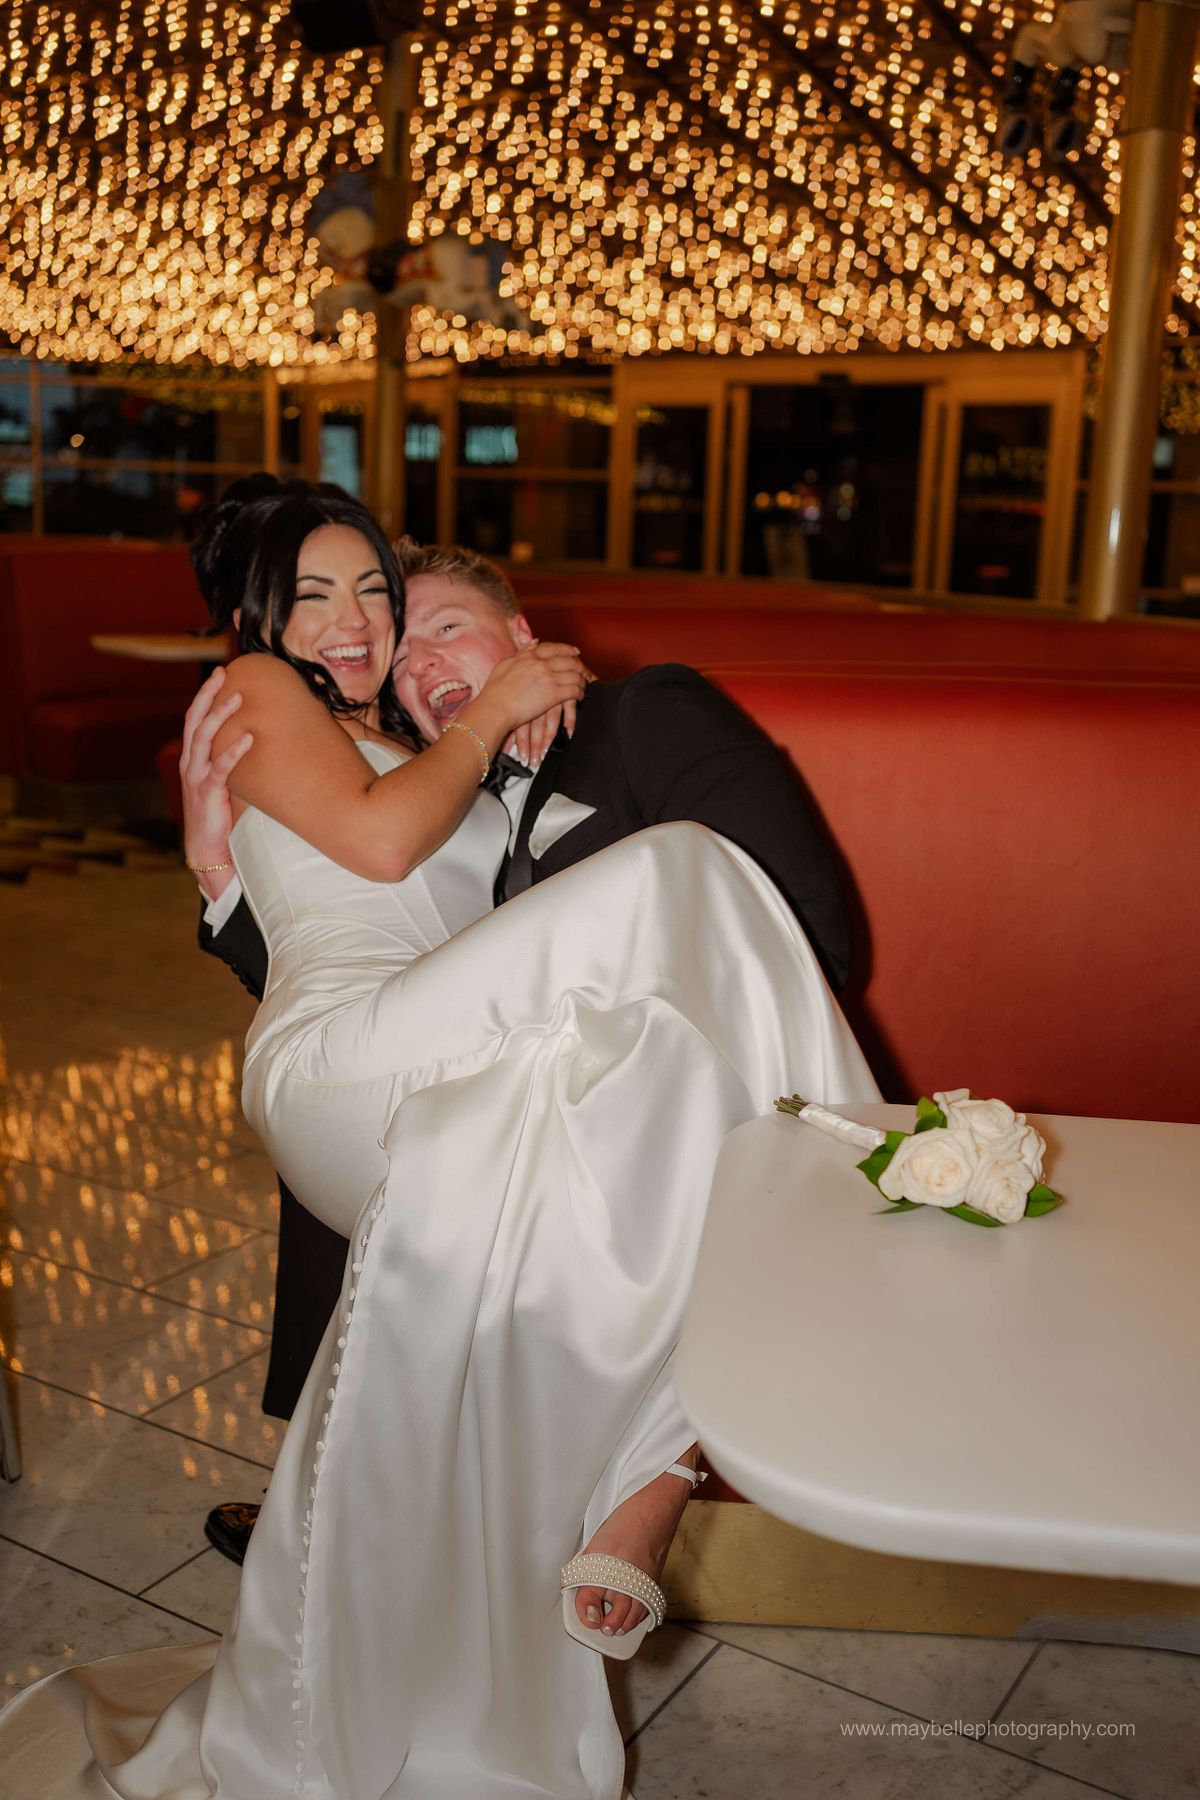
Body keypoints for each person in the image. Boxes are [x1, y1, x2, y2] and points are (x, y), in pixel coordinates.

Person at [0, 476, 878, 1799]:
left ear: (516, 628)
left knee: (645, 1127)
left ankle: (589, 1540)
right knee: (681, 873)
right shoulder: (266, 694)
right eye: (323, 595)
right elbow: (370, 844)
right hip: (344, 1065)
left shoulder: (444, 745)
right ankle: (852, 1196)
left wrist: (226, 870)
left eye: (393, 602)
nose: (370, 630)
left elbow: (416, 916)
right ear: (257, 613)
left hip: (433, 1077)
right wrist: (491, 724)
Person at [187, 539, 855, 1565]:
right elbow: (353, 956)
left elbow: (807, 929)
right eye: (403, 659)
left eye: (446, 629)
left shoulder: (643, 715)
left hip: (657, 1094)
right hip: (441, 1080)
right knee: (402, 1115)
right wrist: (221, 874)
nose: (421, 667)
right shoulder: (455, 796)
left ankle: (656, 1440)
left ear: (527, 642)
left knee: (667, 884)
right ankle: (341, 1484)